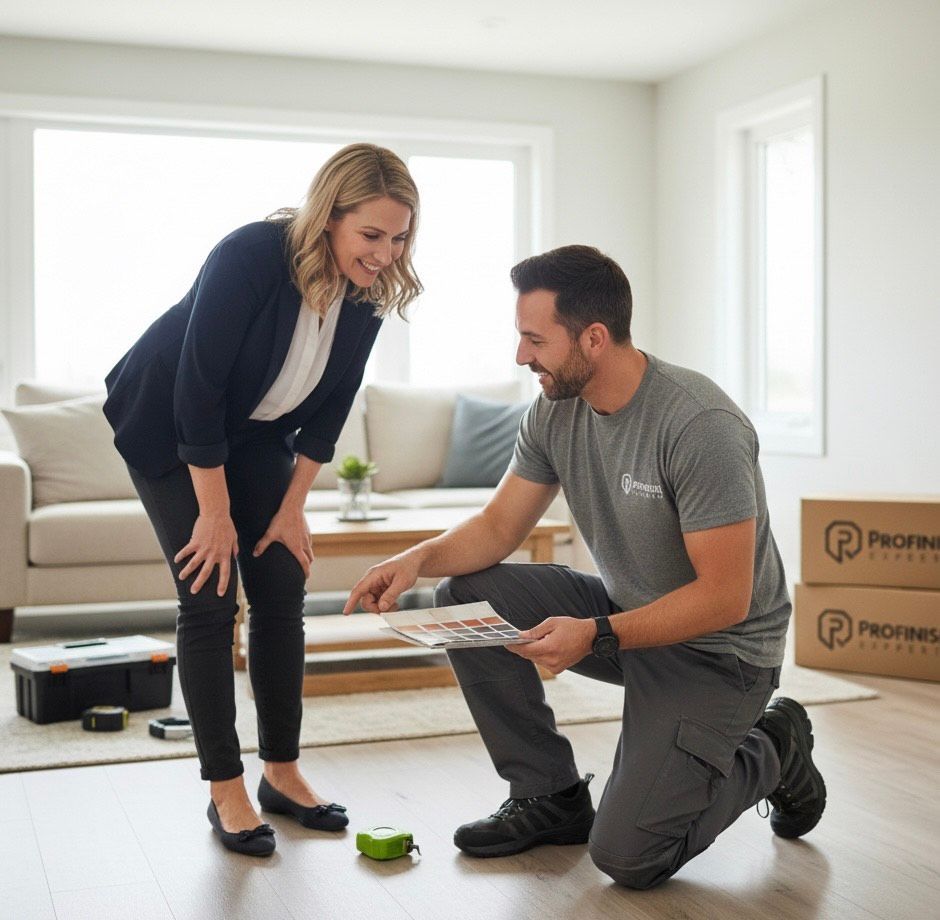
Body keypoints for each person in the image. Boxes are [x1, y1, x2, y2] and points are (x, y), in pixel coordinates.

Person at [343, 245, 826, 888]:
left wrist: (595, 634)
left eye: (535, 339)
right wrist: (418, 559)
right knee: (464, 594)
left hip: (722, 653)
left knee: (628, 857)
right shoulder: (554, 409)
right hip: (631, 618)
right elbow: (497, 528)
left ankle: (776, 744)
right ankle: (549, 795)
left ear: (593, 339)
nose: (521, 357)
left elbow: (724, 598)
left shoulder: (698, 424)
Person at [104, 143, 421, 857]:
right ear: (328, 216)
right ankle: (226, 788)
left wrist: (292, 506)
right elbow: (199, 388)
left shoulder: (369, 291)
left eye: (399, 237)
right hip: (168, 421)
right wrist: (213, 515)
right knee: (210, 592)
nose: (385, 253)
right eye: (371, 235)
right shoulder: (250, 254)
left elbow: (333, 406)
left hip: (258, 432)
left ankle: (282, 770)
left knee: (281, 580)